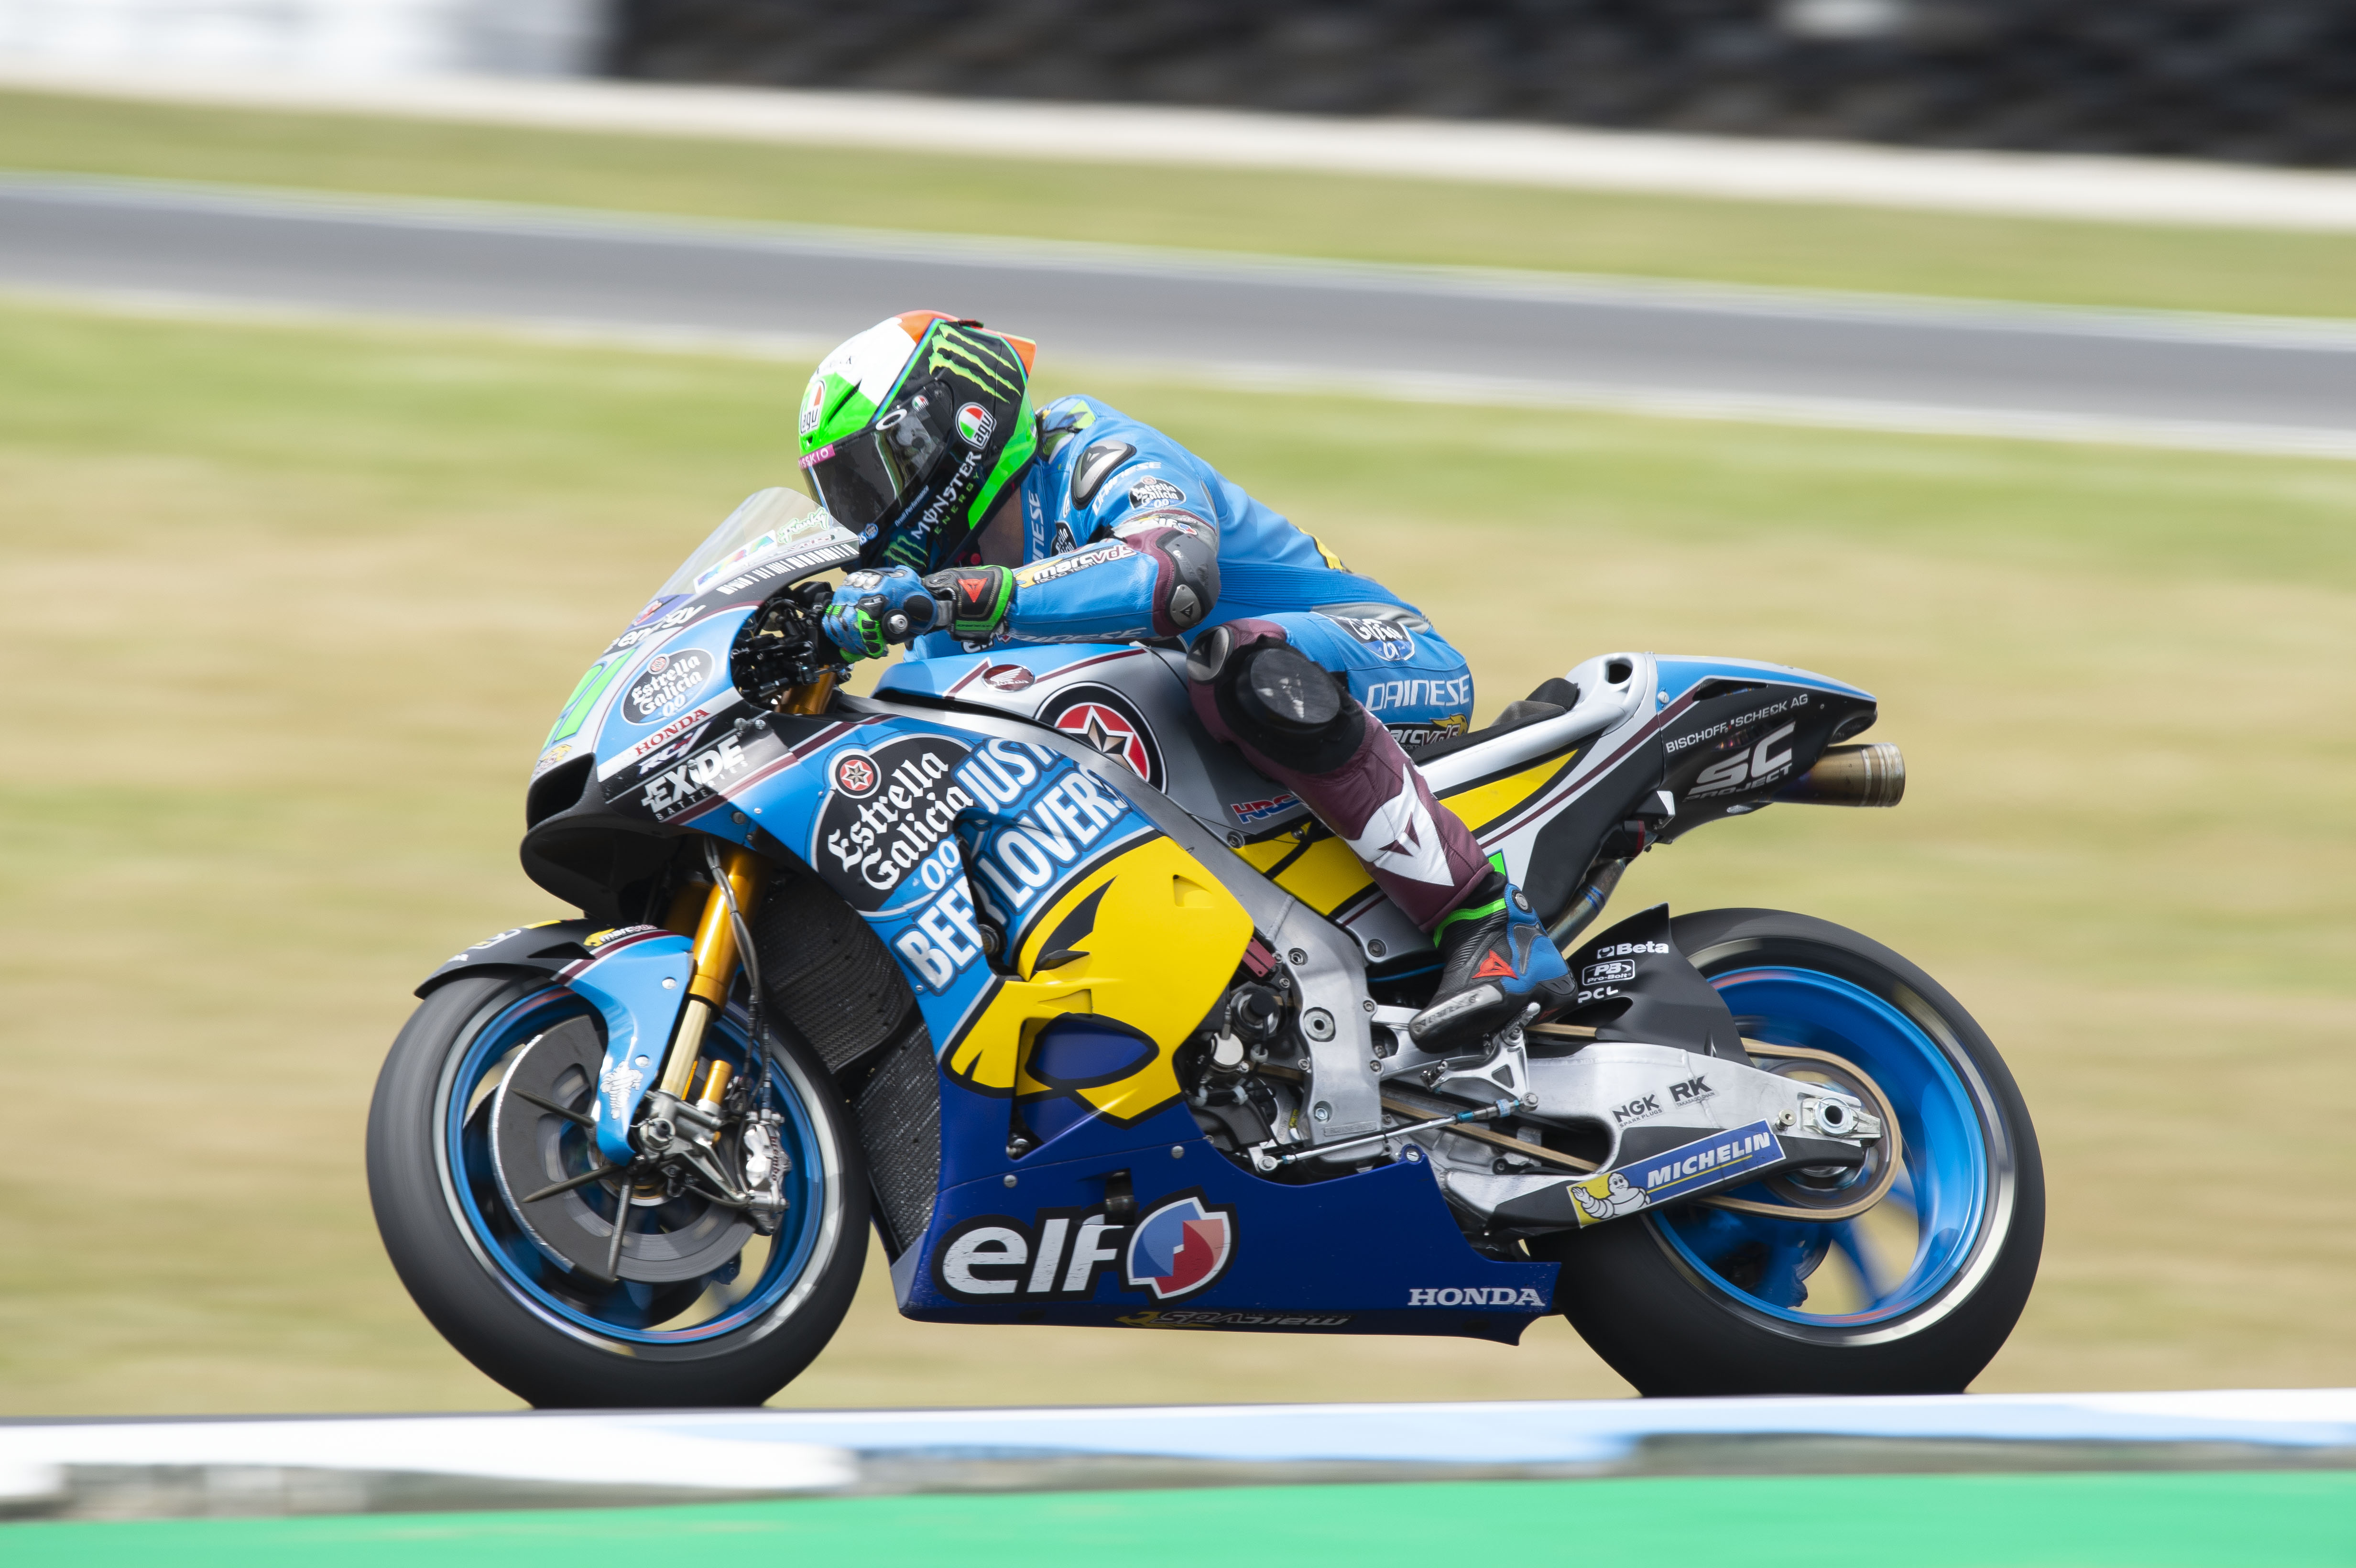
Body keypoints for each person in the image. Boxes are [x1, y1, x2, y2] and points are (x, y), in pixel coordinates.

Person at [799, 310, 1569, 1047]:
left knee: (1233, 662)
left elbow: (1174, 580)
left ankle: (1490, 922)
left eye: (873, 480)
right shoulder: (945, 585)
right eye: (844, 499)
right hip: (1234, 741)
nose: (866, 521)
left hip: (1377, 656)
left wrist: (967, 599)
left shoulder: (1089, 448)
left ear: (952, 426)